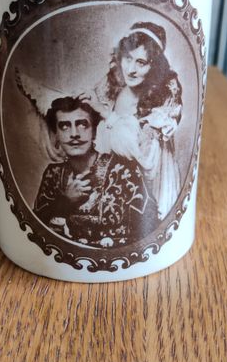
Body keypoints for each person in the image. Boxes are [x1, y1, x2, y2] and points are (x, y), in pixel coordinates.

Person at [80, 21, 182, 220]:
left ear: (155, 66)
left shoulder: (162, 101)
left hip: (146, 189)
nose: (131, 69)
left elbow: (140, 156)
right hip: (112, 186)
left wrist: (107, 115)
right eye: (128, 58)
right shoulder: (114, 85)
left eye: (141, 62)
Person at [33, 96, 158, 248]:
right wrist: (65, 202)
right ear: (56, 135)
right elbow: (37, 229)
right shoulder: (53, 175)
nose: (74, 134)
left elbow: (149, 225)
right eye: (64, 126)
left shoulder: (124, 171)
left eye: (82, 124)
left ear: (93, 131)